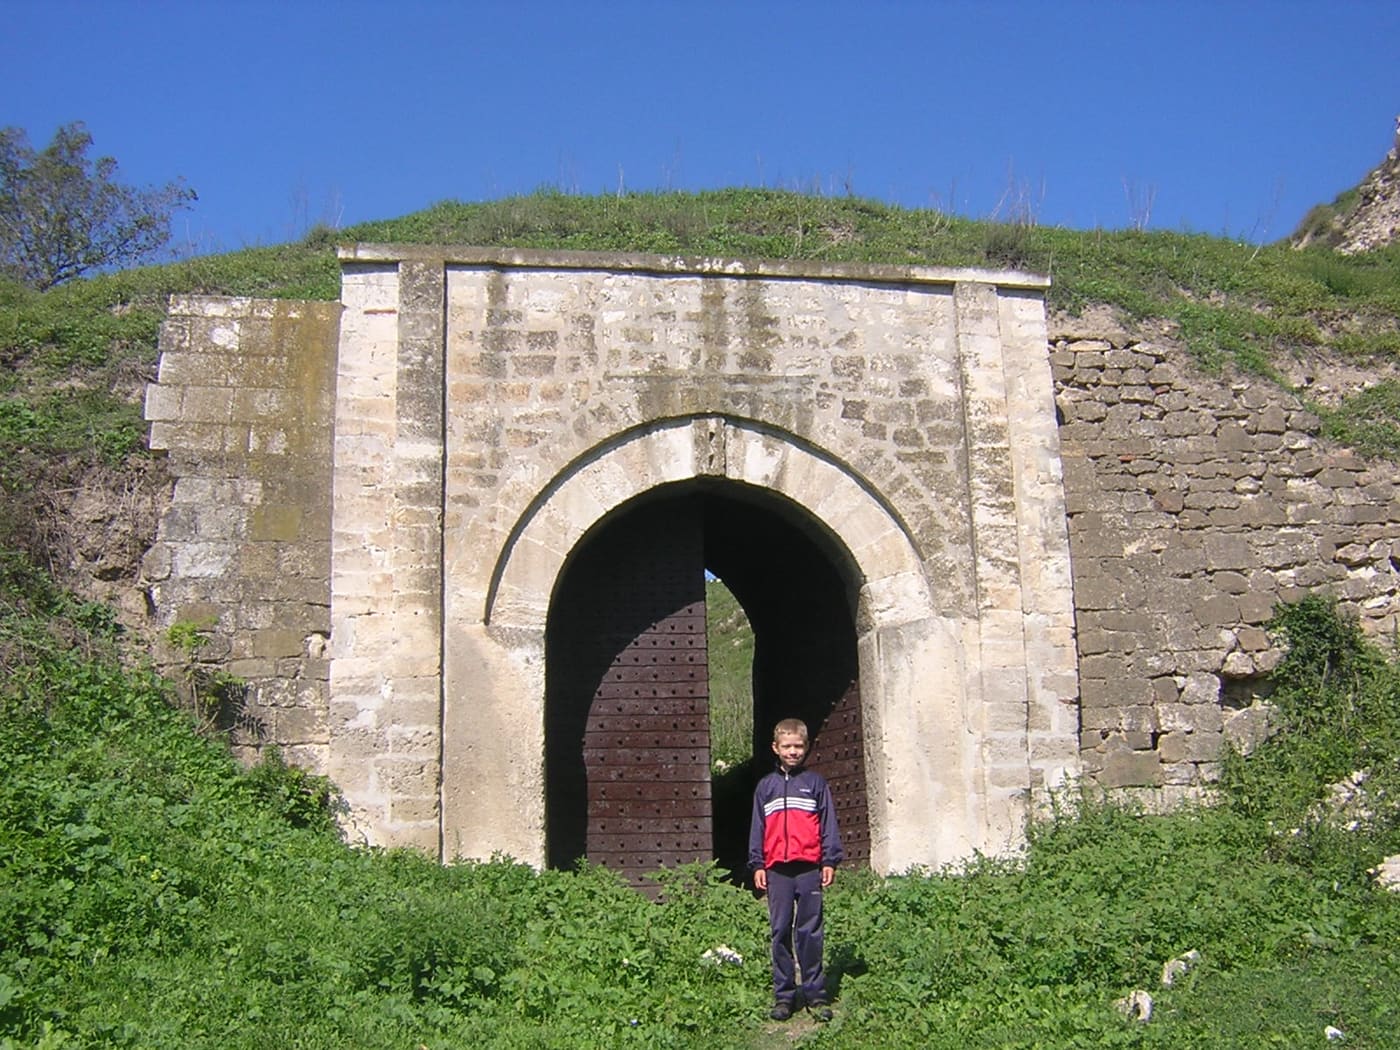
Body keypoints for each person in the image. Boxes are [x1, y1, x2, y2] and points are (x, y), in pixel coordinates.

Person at [748, 717, 844, 1022]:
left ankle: (815, 994)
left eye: (798, 746)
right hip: (777, 870)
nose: (793, 752)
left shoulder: (815, 784)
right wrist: (757, 864)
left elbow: (828, 825)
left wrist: (829, 860)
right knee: (779, 932)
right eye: (787, 746)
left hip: (808, 869)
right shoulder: (766, 787)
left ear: (806, 747)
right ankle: (784, 996)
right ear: (775, 748)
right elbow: (757, 828)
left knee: (810, 931)